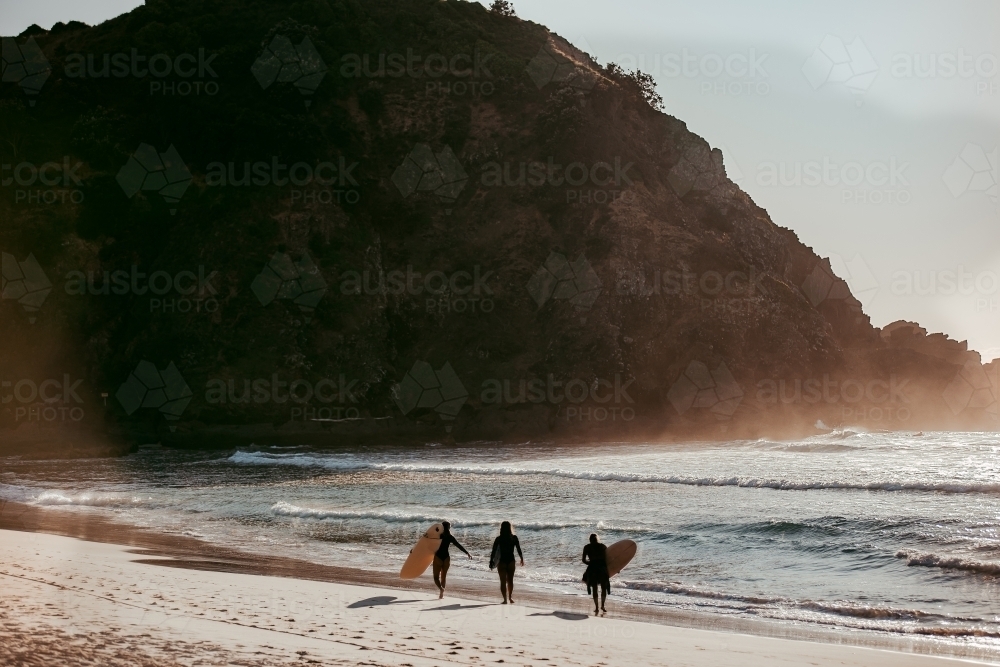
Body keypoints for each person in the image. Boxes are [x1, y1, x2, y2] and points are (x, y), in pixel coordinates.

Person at [433, 521, 471, 598]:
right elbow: (458, 545)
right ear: (449, 527)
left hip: (438, 558)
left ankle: (441, 589)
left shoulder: (439, 536)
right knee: (443, 577)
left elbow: (428, 542)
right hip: (447, 558)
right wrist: (467, 553)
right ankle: (441, 594)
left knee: (436, 577)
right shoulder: (450, 537)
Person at [489, 521, 524, 604]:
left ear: (501, 528)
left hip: (502, 562)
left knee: (503, 581)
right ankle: (510, 598)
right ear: (509, 528)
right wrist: (521, 558)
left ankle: (505, 599)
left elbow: (493, 551)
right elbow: (518, 549)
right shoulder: (514, 538)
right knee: (510, 581)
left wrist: (491, 560)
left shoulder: (499, 539)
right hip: (511, 561)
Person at [582, 533, 609, 615]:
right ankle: (602, 606)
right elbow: (609, 560)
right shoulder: (603, 546)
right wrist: (615, 568)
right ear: (597, 539)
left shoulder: (587, 547)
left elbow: (583, 560)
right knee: (604, 588)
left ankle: (597, 607)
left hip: (592, 569)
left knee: (594, 588)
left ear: (590, 540)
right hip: (602, 569)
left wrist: (590, 563)